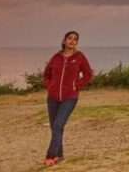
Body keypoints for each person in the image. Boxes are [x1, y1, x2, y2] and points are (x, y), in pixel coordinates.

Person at [41, 30, 93, 167]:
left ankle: (50, 156)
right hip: (52, 97)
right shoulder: (56, 57)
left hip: (70, 97)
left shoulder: (80, 57)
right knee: (55, 127)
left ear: (76, 43)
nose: (72, 41)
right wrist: (49, 86)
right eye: (69, 38)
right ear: (64, 41)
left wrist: (78, 84)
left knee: (58, 125)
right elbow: (46, 74)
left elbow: (88, 73)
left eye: (75, 39)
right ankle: (60, 154)